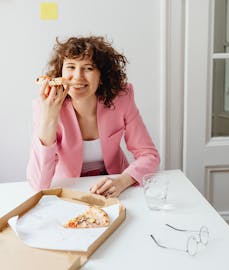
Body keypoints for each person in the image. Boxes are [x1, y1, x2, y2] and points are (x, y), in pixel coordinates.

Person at [27, 36, 160, 197]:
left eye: (88, 68)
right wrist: (49, 117)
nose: (77, 77)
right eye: (70, 66)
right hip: (68, 192)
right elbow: (38, 184)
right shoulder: (45, 106)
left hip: (114, 188)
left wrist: (123, 180)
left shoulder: (122, 98)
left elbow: (148, 155)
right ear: (61, 71)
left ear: (102, 76)